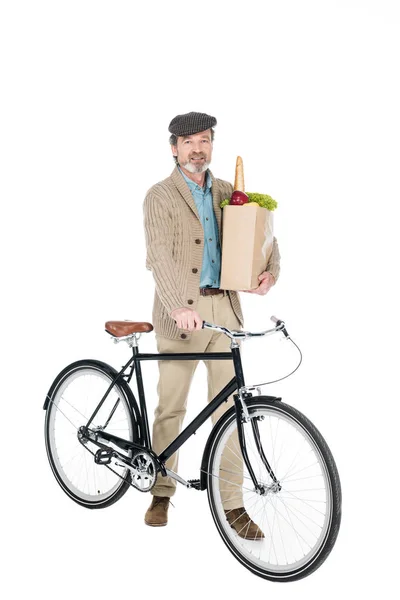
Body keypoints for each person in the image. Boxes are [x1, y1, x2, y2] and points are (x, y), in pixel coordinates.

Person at [142, 112, 280, 538]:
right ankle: (162, 490)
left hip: (226, 312)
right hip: (181, 315)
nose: (196, 149)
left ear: (211, 146)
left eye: (203, 141)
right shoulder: (159, 195)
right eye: (188, 142)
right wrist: (178, 305)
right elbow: (159, 258)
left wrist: (269, 270)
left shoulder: (227, 191)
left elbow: (261, 233)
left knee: (231, 410)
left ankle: (233, 503)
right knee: (173, 407)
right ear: (174, 148)